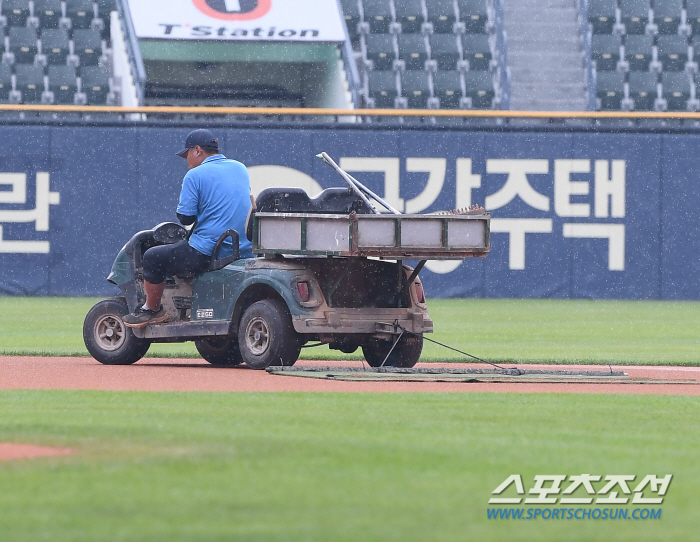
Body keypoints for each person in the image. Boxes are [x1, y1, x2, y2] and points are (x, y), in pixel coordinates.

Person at [124, 129, 253, 328]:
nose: (187, 160)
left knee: (152, 257)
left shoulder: (195, 174)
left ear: (198, 150)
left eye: (187, 155)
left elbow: (186, 217)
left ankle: (152, 309)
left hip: (209, 251)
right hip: (243, 249)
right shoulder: (240, 168)